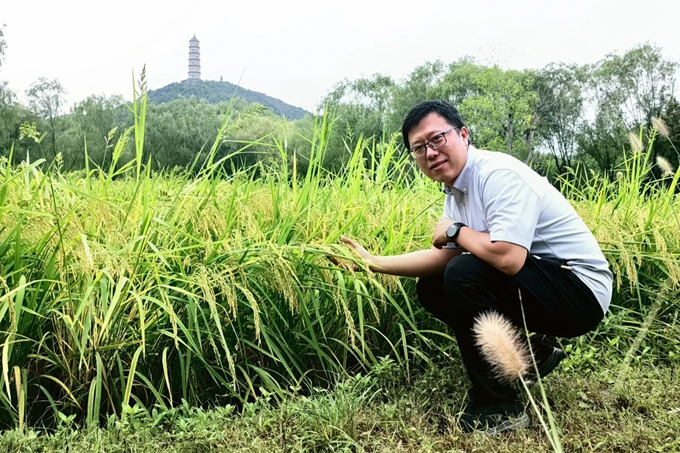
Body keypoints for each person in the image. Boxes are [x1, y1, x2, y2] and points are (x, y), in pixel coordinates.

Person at [339, 100, 612, 434]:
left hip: (580, 291)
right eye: (419, 148)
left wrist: (455, 230)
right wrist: (373, 263)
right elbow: (444, 258)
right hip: (546, 284)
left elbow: (508, 258)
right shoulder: (456, 191)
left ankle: (499, 407)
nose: (430, 152)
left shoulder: (499, 175)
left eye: (437, 139)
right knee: (433, 286)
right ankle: (528, 354)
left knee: (462, 273)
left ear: (464, 135)